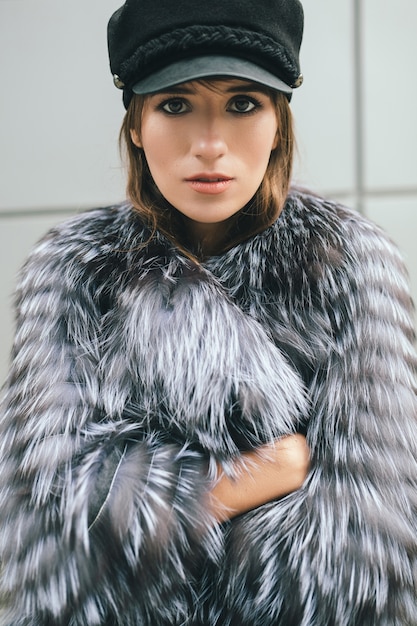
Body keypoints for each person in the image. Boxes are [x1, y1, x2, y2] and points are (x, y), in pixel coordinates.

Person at [0, 0, 416, 624]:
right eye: (175, 104)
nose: (211, 144)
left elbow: (368, 549)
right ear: (136, 124)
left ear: (279, 120)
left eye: (244, 103)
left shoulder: (350, 262)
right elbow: (49, 537)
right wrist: (272, 469)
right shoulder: (71, 272)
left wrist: (152, 498)